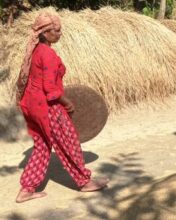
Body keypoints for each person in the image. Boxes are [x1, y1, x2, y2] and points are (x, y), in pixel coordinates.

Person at [15, 12, 109, 203]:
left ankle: (27, 189)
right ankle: (84, 182)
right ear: (45, 33)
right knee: (69, 142)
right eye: (57, 31)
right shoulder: (48, 54)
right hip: (46, 106)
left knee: (42, 146)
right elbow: (50, 89)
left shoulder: (35, 50)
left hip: (31, 104)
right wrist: (67, 103)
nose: (60, 33)